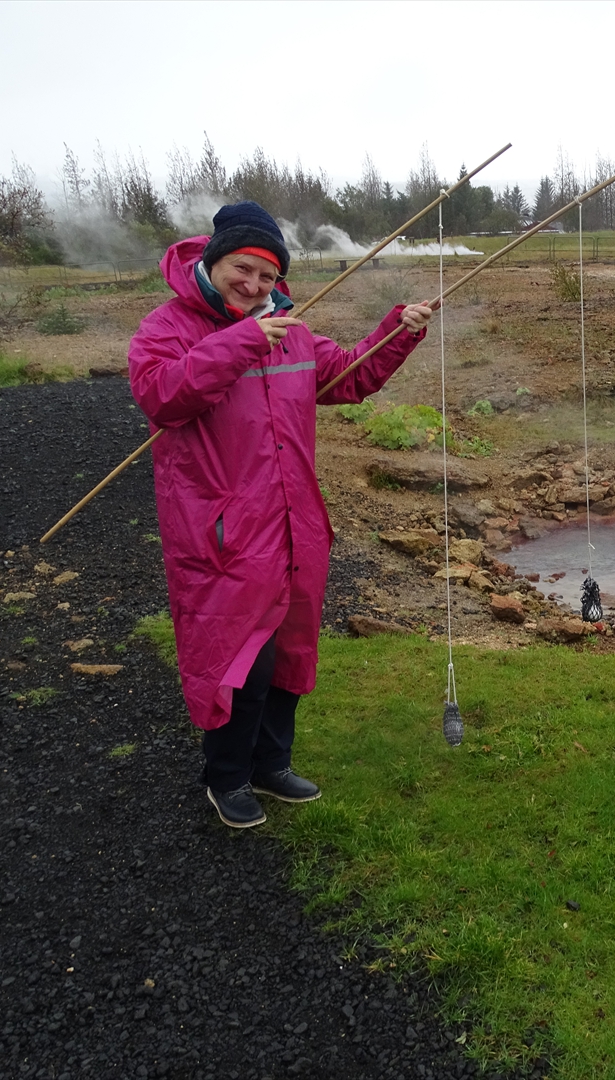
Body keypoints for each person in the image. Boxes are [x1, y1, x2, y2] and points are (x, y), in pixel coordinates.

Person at [128, 201, 434, 828]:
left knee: (289, 652)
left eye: (267, 278)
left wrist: (398, 330)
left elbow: (348, 378)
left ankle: (271, 765)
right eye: (243, 269)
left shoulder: (292, 330)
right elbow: (161, 395)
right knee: (242, 659)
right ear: (213, 261)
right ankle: (227, 777)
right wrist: (240, 342)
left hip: (294, 523)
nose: (254, 286)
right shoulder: (169, 327)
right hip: (222, 531)